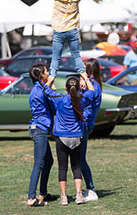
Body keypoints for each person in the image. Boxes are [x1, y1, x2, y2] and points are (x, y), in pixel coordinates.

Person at [39, 0, 96, 83]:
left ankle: (52, 77)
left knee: (56, 57)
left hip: (59, 30)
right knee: (76, 55)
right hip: (72, 30)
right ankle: (83, 75)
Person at [45, 75, 95, 205]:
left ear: (66, 89)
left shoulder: (60, 99)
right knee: (76, 166)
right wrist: (86, 79)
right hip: (76, 137)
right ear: (78, 88)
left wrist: (51, 79)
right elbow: (93, 92)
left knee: (62, 168)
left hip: (61, 138)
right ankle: (79, 195)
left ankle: (64, 197)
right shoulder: (82, 99)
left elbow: (46, 90)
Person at [26, 64, 58, 207]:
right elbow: (55, 103)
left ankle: (43, 194)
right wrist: (51, 87)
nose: (48, 73)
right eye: (46, 72)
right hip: (39, 129)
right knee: (39, 163)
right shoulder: (40, 91)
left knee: (48, 161)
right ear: (41, 76)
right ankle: (31, 198)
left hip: (40, 129)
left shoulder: (39, 88)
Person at [80, 58, 102, 202]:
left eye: (83, 68)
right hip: (88, 123)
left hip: (85, 123)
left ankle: (90, 188)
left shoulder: (92, 86)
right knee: (79, 158)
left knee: (80, 159)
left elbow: (83, 104)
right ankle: (88, 187)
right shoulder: (95, 83)